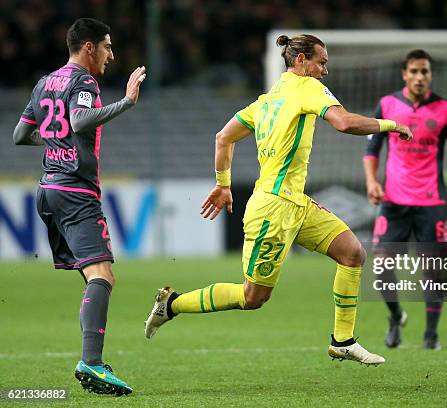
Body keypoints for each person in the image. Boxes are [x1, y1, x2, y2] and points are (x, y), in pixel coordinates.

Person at [145, 34, 412, 365]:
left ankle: (342, 340)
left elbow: (223, 137)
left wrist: (223, 184)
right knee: (252, 297)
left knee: (352, 254)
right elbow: (342, 122)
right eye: (321, 62)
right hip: (273, 208)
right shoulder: (308, 88)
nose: (325, 71)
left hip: (296, 203)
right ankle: (172, 304)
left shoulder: (265, 100)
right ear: (300, 61)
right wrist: (391, 124)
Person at [13, 18, 146, 395]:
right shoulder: (83, 82)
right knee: (103, 275)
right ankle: (91, 363)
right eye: (106, 46)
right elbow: (80, 118)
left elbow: (20, 135)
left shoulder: (44, 83)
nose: (110, 54)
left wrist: (58, 143)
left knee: (93, 277)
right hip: (76, 192)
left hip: (48, 188)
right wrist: (126, 102)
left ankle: (92, 359)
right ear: (89, 47)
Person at [363, 49, 447, 350]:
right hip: (393, 202)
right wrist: (372, 182)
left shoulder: (446, 109)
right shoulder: (387, 104)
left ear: (430, 75)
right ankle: (396, 316)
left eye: (425, 71)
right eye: (414, 71)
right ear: (404, 74)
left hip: (431, 203)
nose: (420, 77)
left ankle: (431, 336)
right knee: (381, 266)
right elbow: (372, 149)